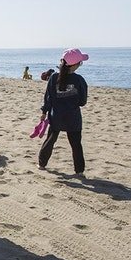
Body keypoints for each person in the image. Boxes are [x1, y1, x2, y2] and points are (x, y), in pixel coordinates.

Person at [38, 48, 89, 176]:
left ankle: (41, 164)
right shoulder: (79, 80)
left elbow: (48, 97)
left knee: (50, 140)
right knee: (76, 144)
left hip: (56, 117)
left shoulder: (54, 77)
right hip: (73, 118)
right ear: (76, 65)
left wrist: (44, 112)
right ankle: (79, 171)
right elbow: (82, 101)